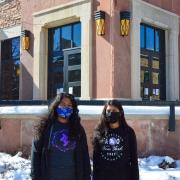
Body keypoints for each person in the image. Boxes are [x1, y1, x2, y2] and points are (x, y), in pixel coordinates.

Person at [31, 93, 91, 180]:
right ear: (56, 106)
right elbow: (36, 154)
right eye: (63, 104)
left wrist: (87, 177)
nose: (66, 107)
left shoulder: (78, 129)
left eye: (69, 105)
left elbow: (84, 155)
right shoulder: (45, 127)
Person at [92, 100, 139, 180]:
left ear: (120, 112)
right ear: (105, 113)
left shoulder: (128, 132)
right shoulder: (99, 132)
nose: (111, 113)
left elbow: (134, 159)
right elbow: (96, 160)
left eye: (114, 111)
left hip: (123, 176)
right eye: (108, 111)